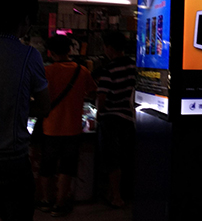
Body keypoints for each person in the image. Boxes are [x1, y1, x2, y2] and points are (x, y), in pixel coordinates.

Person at [0, 0, 50, 221]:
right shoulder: (30, 55)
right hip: (12, 162)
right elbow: (44, 106)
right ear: (26, 19)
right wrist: (17, 106)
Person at [38, 35, 97, 217]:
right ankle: (60, 203)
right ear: (70, 49)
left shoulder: (46, 71)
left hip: (50, 127)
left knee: (47, 166)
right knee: (67, 167)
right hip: (73, 128)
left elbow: (40, 97)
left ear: (50, 52)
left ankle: (46, 201)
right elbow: (92, 92)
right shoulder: (82, 70)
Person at [96, 31, 136, 208]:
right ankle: (124, 193)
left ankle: (116, 196)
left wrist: (100, 112)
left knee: (112, 159)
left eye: (105, 47)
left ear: (110, 48)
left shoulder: (109, 69)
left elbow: (102, 97)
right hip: (129, 118)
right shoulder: (134, 66)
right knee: (126, 157)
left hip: (111, 119)